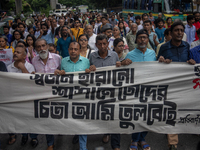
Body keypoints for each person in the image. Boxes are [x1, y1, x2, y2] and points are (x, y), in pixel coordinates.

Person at [112, 29, 156, 150]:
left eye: (145, 37)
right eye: (140, 37)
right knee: (137, 116)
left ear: (148, 39)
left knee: (147, 116)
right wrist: (122, 63)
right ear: (136, 40)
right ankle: (135, 140)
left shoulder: (153, 54)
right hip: (135, 91)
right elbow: (119, 67)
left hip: (150, 90)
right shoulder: (130, 55)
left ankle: (142, 138)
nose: (142, 40)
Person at [158, 22, 196, 150]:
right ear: (171, 32)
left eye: (181, 30)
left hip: (184, 87)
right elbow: (157, 64)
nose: (179, 33)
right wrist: (162, 61)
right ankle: (173, 143)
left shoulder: (186, 46)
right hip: (170, 87)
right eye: (176, 30)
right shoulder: (164, 47)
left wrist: (191, 63)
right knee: (171, 112)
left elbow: (189, 62)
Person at [54, 41, 90, 150]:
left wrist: (91, 71)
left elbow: (92, 78)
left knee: (83, 121)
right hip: (67, 97)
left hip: (82, 97)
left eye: (75, 49)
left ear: (79, 50)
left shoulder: (86, 61)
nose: (73, 51)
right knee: (71, 120)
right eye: (71, 49)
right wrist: (58, 72)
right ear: (68, 50)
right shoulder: (63, 61)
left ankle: (83, 147)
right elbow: (58, 75)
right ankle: (75, 134)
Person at [89, 34, 121, 144]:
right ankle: (106, 132)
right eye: (99, 44)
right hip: (99, 90)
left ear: (108, 44)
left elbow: (119, 70)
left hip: (113, 89)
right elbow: (88, 73)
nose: (102, 46)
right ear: (96, 45)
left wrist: (120, 65)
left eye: (104, 44)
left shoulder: (114, 55)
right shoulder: (92, 56)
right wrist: (90, 69)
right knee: (103, 113)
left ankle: (114, 140)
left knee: (114, 113)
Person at [32, 39, 61, 150]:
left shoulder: (57, 58)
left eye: (43, 46)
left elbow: (64, 75)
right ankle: (50, 143)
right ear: (35, 49)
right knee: (46, 119)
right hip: (41, 95)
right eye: (38, 47)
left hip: (55, 94)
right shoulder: (34, 60)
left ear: (48, 46)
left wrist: (60, 73)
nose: (41, 49)